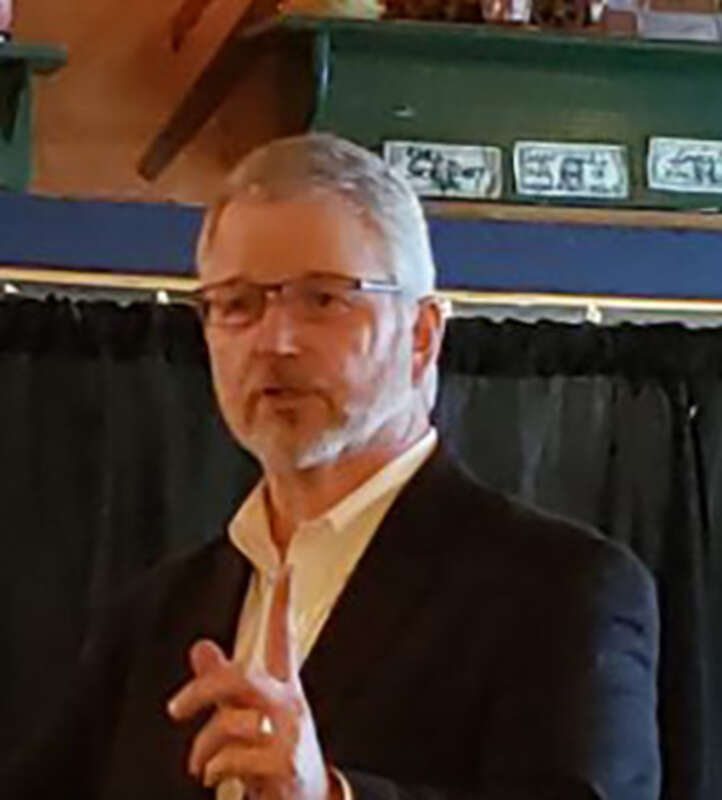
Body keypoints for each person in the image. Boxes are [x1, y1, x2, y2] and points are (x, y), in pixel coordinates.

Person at [4, 133, 660, 800]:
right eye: (236, 304)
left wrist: (330, 796)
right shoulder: (152, 618)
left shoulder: (563, 591)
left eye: (323, 298)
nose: (275, 341)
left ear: (423, 334)